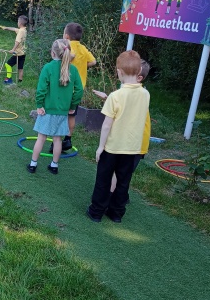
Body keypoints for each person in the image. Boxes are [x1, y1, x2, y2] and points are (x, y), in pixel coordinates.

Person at [86, 50, 150, 223]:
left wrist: (101, 147)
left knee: (103, 180)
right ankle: (116, 214)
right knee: (123, 182)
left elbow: (107, 125)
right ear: (138, 73)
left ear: (119, 72)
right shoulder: (146, 94)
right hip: (132, 148)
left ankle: (96, 212)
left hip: (112, 147)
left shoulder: (115, 96)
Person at [92, 59, 151, 195]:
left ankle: (111, 198)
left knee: (120, 174)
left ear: (139, 78)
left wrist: (101, 146)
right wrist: (108, 98)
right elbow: (124, 105)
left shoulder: (142, 94)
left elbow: (124, 108)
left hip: (134, 143)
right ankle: (115, 197)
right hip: (131, 142)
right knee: (122, 174)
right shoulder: (142, 93)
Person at [27, 38, 83, 174]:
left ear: (53, 53)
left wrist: (39, 105)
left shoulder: (48, 67)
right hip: (63, 111)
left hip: (47, 110)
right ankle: (54, 166)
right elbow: (79, 90)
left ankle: (33, 164)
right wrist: (72, 105)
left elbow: (41, 89)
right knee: (57, 139)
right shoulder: (73, 70)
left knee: (41, 138)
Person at [49, 22, 96, 154]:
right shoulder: (83, 48)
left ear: (66, 36)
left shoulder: (67, 45)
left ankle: (56, 140)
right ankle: (68, 139)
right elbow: (93, 61)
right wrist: (83, 65)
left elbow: (68, 56)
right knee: (71, 114)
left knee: (60, 113)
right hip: (78, 88)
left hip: (66, 87)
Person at [0, 15, 28, 84]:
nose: (17, 22)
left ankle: (9, 79)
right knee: (20, 67)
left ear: (20, 23)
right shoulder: (24, 30)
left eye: (18, 21)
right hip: (23, 53)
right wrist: (7, 28)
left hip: (18, 53)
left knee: (8, 64)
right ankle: (20, 81)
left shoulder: (20, 31)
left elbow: (17, 41)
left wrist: (13, 49)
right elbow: (14, 29)